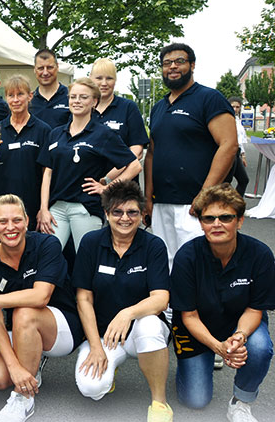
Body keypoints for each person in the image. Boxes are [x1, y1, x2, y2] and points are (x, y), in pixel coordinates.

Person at [0, 195, 82, 422]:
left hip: (61, 327)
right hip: (18, 328)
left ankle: (23, 399)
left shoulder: (47, 244)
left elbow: (41, 297)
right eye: (3, 222)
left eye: (16, 220)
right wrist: (14, 367)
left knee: (23, 312)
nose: (10, 227)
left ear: (26, 221)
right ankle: (32, 362)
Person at [170, 184, 275, 421]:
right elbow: (189, 316)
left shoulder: (260, 255)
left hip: (239, 320)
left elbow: (254, 308)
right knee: (195, 400)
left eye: (225, 217)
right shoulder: (187, 257)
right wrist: (218, 347)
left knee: (259, 347)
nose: (216, 224)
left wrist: (239, 337)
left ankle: (241, 402)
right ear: (201, 223)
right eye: (208, 218)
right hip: (197, 325)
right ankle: (200, 360)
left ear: (239, 221)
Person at [71, 181, 172, 422]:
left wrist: (127, 313)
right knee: (91, 388)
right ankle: (110, 369)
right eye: (117, 212)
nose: (124, 218)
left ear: (141, 214)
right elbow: (83, 298)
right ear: (106, 214)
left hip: (140, 329)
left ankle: (159, 402)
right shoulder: (91, 242)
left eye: (132, 212)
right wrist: (96, 346)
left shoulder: (153, 245)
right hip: (105, 335)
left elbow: (161, 299)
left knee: (149, 326)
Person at [144, 43, 238, 272]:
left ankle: (199, 309)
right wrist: (147, 198)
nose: (172, 67)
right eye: (167, 63)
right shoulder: (158, 108)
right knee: (165, 264)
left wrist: (204, 195)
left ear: (192, 65)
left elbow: (229, 145)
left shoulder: (210, 98)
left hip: (196, 205)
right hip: (162, 203)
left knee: (199, 266)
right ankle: (167, 309)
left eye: (179, 61)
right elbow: (152, 153)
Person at [37, 77, 141, 252]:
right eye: (73, 97)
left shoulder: (103, 134)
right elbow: (48, 172)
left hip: (84, 208)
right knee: (48, 256)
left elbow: (134, 165)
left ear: (94, 102)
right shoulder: (56, 134)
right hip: (57, 209)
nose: (77, 101)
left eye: (83, 97)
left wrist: (107, 188)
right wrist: (43, 208)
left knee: (86, 259)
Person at [0, 75, 51, 238]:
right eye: (10, 95)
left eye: (20, 94)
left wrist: (44, 207)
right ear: (6, 98)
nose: (15, 100)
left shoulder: (43, 130)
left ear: (30, 96)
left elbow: (46, 173)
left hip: (30, 206)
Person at [89, 58, 148, 184]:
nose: (104, 83)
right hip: (89, 187)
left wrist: (107, 179)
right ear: (91, 79)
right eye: (99, 78)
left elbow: (136, 152)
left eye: (109, 78)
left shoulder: (128, 108)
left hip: (122, 187)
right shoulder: (83, 109)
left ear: (115, 80)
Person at [29, 49, 70, 129]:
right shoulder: (29, 101)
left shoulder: (70, 97)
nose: (45, 73)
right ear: (34, 69)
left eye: (50, 67)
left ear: (57, 67)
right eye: (41, 68)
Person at [228, 96, 249, 197]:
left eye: (237, 107)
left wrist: (243, 155)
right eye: (233, 106)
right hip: (228, 152)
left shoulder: (238, 120)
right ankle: (224, 206)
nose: (235, 109)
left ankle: (235, 204)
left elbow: (240, 139)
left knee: (244, 180)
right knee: (226, 182)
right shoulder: (226, 119)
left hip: (237, 153)